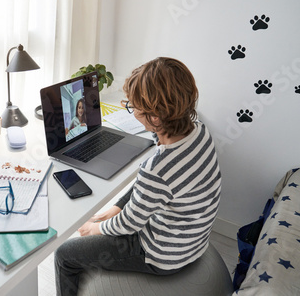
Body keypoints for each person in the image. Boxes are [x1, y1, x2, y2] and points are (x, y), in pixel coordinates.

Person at [54, 57, 222, 296]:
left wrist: (96, 229)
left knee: (64, 254)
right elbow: (156, 189)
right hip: (193, 241)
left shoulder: (158, 168)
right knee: (116, 207)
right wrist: (117, 207)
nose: (131, 109)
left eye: (132, 107)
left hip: (160, 256)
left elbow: (130, 223)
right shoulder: (199, 131)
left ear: (154, 118)